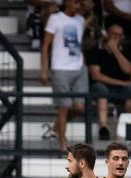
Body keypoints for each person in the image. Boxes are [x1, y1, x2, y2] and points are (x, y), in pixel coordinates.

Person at [40, 0, 88, 151]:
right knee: (64, 107)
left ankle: (56, 127)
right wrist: (44, 69)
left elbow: (79, 44)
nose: (78, 5)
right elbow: (46, 44)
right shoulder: (55, 18)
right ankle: (63, 142)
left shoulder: (80, 20)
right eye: (75, 2)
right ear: (67, 2)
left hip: (79, 66)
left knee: (80, 107)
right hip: (60, 68)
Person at [86, 22, 131, 140]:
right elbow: (96, 76)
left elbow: (128, 71)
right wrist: (122, 83)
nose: (117, 37)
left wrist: (115, 50)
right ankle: (103, 128)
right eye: (114, 34)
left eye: (120, 35)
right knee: (101, 89)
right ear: (107, 34)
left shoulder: (125, 50)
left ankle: (126, 127)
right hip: (100, 87)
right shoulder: (94, 50)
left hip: (120, 89)